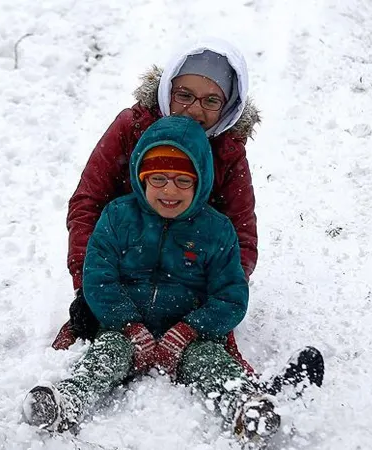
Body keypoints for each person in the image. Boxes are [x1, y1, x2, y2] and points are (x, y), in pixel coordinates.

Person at [23, 116, 280, 446]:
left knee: (211, 361)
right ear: (141, 178)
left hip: (189, 335)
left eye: (183, 181)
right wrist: (128, 325)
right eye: (158, 178)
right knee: (107, 353)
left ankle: (245, 406)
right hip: (124, 329)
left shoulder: (217, 231)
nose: (169, 190)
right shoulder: (117, 217)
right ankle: (67, 401)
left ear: (201, 182)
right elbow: (99, 279)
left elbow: (231, 295)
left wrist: (190, 330)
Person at [52, 38, 261, 377]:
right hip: (127, 263)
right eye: (184, 95)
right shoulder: (132, 128)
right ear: (168, 90)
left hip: (189, 276)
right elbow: (88, 202)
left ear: (228, 106)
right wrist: (86, 284)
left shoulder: (228, 150)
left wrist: (214, 303)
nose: (195, 110)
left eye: (211, 100)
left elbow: (241, 233)